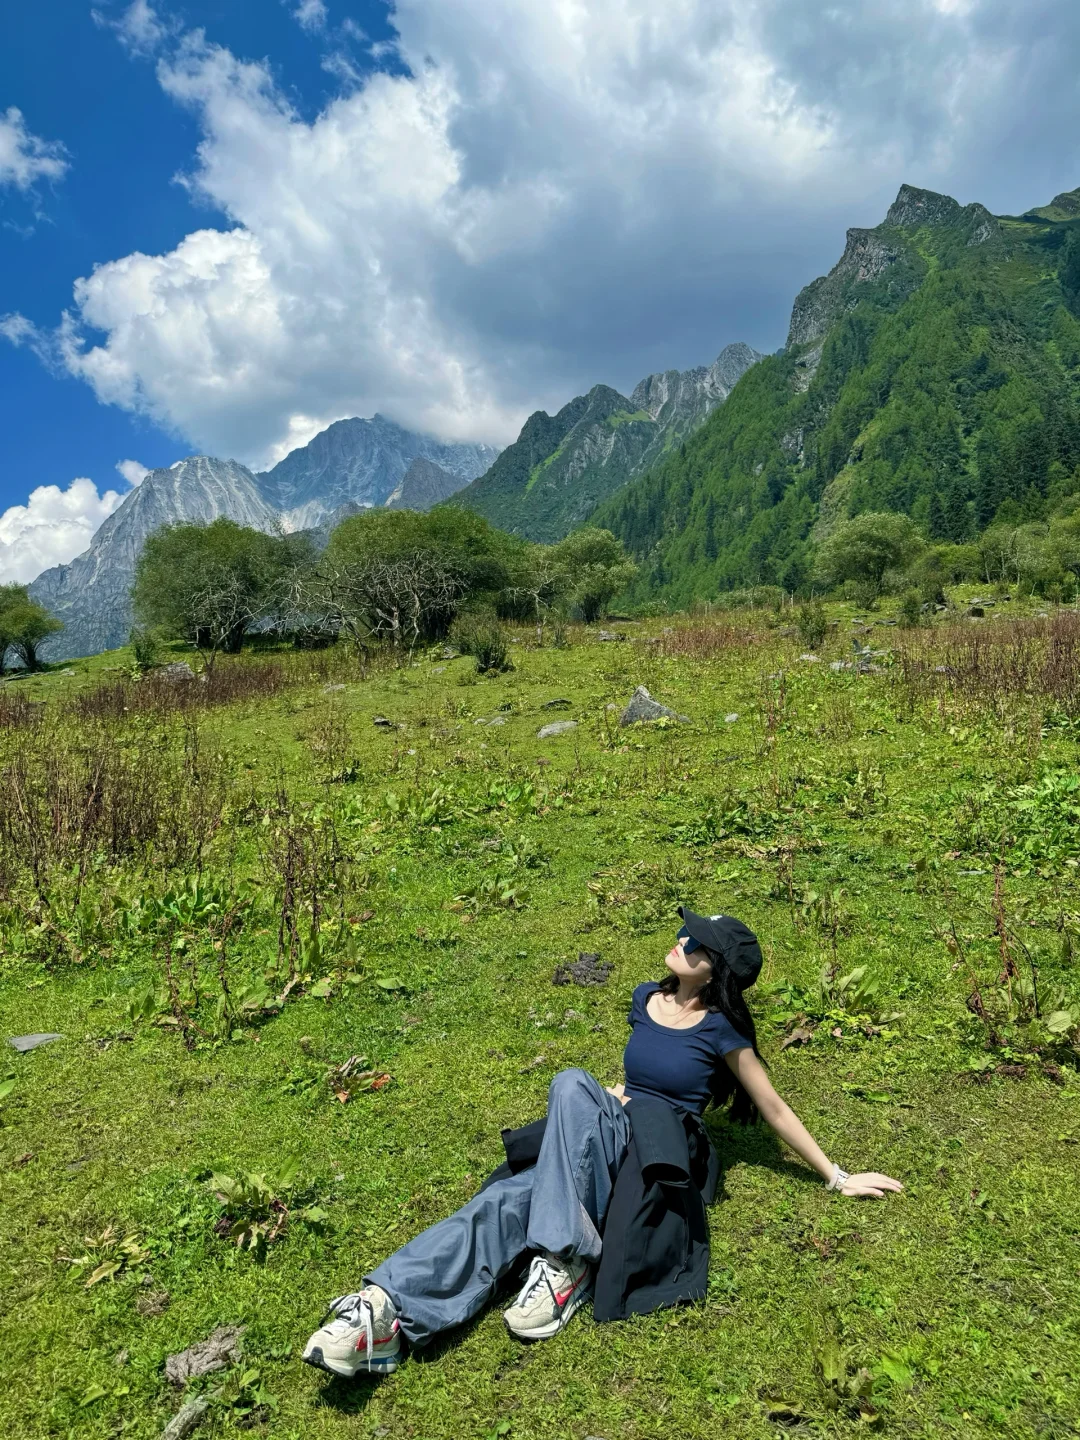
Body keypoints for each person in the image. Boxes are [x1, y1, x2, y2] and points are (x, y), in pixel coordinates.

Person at [302, 907, 903, 1377]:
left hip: (660, 1147)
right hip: (615, 1127)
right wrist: (611, 1102)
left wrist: (838, 1175)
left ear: (716, 971)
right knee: (511, 1193)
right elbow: (634, 1077)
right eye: (684, 934)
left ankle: (564, 1262)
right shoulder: (646, 998)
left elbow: (771, 1106)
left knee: (544, 1137)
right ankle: (381, 1311)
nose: (682, 943)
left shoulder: (721, 1030)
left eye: (697, 945)